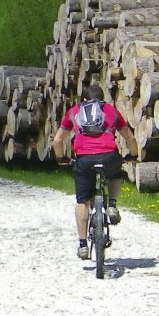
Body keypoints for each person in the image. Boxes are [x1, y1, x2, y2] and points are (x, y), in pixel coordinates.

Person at [49, 89, 136, 260]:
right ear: (101, 99)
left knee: (82, 201)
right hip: (109, 155)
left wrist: (61, 158)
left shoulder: (74, 111)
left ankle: (83, 245)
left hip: (84, 160)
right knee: (116, 174)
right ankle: (111, 204)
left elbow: (58, 140)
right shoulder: (110, 110)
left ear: (84, 99)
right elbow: (129, 137)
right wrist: (133, 155)